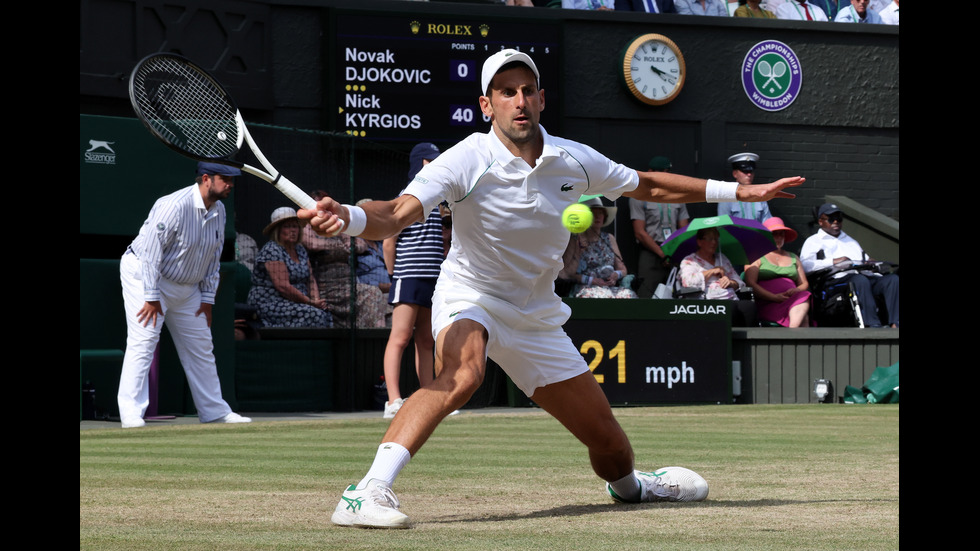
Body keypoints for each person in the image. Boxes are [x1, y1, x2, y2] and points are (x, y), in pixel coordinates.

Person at [300, 49, 803, 528]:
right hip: (470, 294)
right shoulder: (465, 160)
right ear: (486, 104)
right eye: (505, 91)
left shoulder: (574, 160)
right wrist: (348, 217)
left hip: (537, 315)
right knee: (464, 372)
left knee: (610, 446)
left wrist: (738, 191)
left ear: (541, 98)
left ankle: (633, 488)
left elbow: (647, 185)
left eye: (527, 90)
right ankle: (366, 490)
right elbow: (395, 214)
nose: (519, 100)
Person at [117, 162, 251, 428]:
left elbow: (214, 257)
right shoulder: (173, 205)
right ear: (206, 179)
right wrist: (152, 296)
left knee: (201, 346)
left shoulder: (220, 210)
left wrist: (208, 299)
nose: (230, 185)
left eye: (232, 180)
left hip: (187, 287)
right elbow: (152, 255)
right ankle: (130, 413)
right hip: (144, 276)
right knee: (144, 341)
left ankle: (214, 411)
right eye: (225, 179)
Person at [380, 143, 446, 419]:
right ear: (421, 164)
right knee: (400, 337)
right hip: (408, 278)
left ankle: (429, 399)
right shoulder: (406, 197)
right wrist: (396, 275)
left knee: (425, 341)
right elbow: (388, 242)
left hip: (432, 278)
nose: (440, 166)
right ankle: (393, 401)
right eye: (433, 161)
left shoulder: (439, 200)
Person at [800, 203, 899, 327]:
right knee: (860, 281)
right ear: (820, 221)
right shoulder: (813, 241)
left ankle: (896, 323)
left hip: (861, 276)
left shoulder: (851, 241)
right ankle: (873, 325)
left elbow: (865, 260)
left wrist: (872, 263)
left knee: (892, 280)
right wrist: (833, 261)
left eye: (839, 218)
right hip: (834, 281)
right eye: (831, 219)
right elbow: (805, 266)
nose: (836, 221)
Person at [303, 190, 389, 328]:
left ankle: (370, 340)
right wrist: (341, 246)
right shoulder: (308, 227)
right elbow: (312, 244)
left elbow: (360, 245)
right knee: (372, 292)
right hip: (325, 285)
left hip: (349, 282)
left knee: (373, 295)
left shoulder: (334, 223)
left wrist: (340, 243)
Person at [247, 207, 331, 328]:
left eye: (295, 226)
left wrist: (316, 301)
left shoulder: (300, 249)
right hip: (271, 302)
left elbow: (310, 278)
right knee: (314, 315)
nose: (293, 230)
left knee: (324, 312)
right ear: (278, 230)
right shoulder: (272, 250)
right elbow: (283, 286)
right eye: (287, 226)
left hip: (300, 301)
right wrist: (310, 302)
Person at [629, 156, 690, 298]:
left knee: (677, 293)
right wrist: (662, 254)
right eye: (661, 172)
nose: (665, 176)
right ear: (650, 172)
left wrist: (673, 252)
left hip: (674, 249)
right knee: (647, 292)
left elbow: (684, 227)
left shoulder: (677, 195)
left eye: (667, 172)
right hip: (651, 250)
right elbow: (639, 232)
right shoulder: (639, 196)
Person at [561, 197, 638, 299]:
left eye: (600, 213)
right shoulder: (575, 239)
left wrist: (615, 275)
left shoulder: (609, 238)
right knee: (600, 297)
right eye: (593, 213)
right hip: (587, 288)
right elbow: (567, 274)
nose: (597, 216)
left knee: (628, 295)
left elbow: (623, 269)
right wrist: (579, 252)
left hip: (609, 287)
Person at [744, 217, 811, 327]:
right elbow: (750, 283)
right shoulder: (755, 256)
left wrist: (796, 290)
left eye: (782, 234)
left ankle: (792, 333)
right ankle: (793, 335)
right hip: (768, 303)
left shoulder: (793, 257)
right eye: (774, 234)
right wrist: (773, 297)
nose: (779, 238)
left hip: (792, 300)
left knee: (803, 297)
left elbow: (804, 284)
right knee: (804, 318)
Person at [678, 227, 746, 300]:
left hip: (730, 299)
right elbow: (688, 283)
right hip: (706, 303)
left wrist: (730, 282)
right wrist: (711, 271)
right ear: (699, 242)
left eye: (716, 239)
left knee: (748, 307)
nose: (714, 242)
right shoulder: (690, 261)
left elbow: (740, 282)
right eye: (710, 239)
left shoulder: (722, 258)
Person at [717, 153, 772, 223]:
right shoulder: (726, 198)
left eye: (751, 171)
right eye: (745, 171)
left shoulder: (760, 196)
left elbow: (768, 223)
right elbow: (723, 225)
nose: (749, 174)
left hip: (757, 233)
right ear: (735, 174)